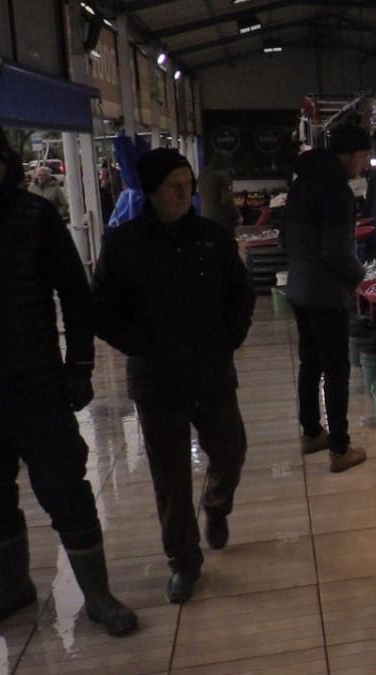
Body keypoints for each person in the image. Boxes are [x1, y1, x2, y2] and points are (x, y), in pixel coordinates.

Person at [0, 114, 138, 637]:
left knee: (65, 489)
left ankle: (98, 596)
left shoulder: (36, 216)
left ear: (5, 161)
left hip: (37, 386)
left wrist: (80, 366)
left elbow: (74, 294)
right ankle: (12, 588)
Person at [92, 148, 255, 604]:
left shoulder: (212, 237)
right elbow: (101, 310)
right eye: (174, 187)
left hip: (212, 370)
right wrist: (143, 344)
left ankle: (217, 505)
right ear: (151, 192)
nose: (185, 194)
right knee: (171, 478)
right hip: (157, 378)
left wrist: (230, 337)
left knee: (230, 451)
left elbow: (241, 292)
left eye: (189, 185)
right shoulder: (124, 245)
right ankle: (184, 562)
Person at [283, 124, 370, 473]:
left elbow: (288, 238)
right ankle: (340, 448)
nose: (363, 165)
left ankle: (311, 433)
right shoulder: (336, 190)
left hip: (299, 286)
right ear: (347, 154)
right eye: (362, 156)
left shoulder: (301, 183)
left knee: (310, 362)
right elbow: (336, 249)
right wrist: (360, 276)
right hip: (326, 293)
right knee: (336, 369)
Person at [197, 150, 241, 232]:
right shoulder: (222, 175)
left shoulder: (203, 174)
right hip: (221, 221)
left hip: (205, 217)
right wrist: (237, 215)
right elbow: (227, 200)